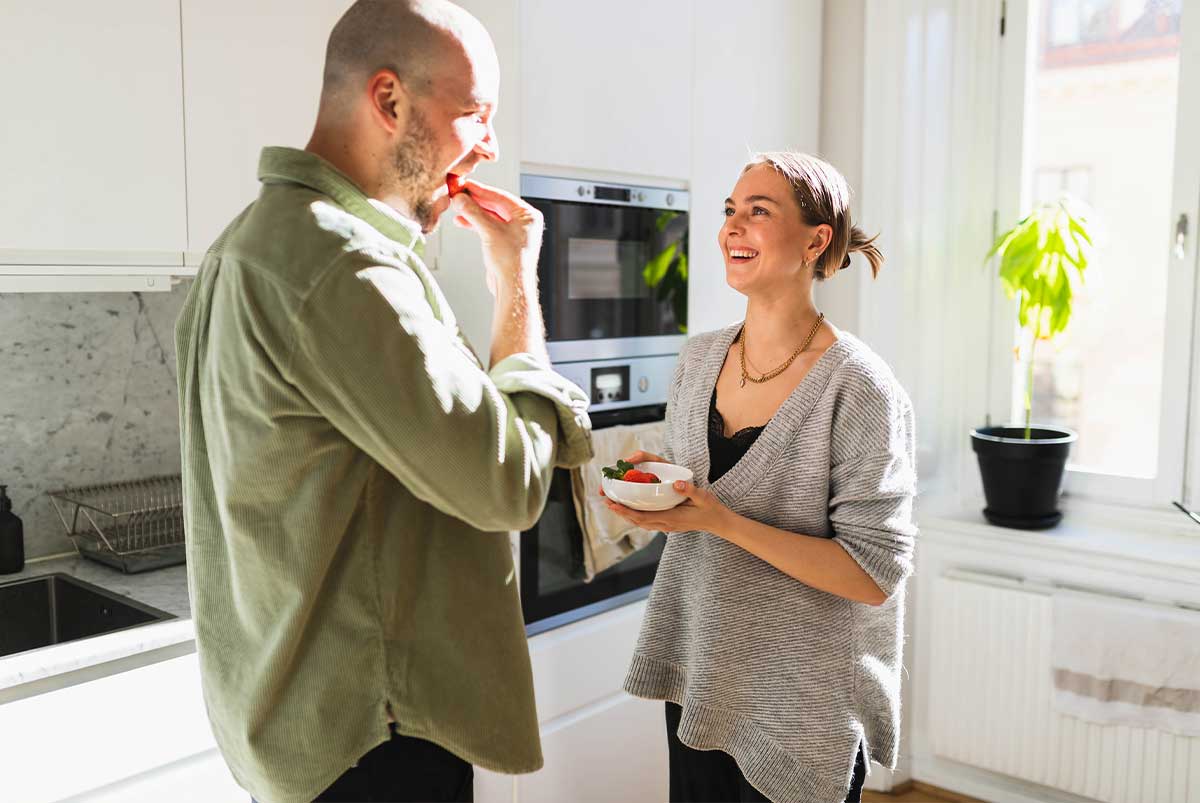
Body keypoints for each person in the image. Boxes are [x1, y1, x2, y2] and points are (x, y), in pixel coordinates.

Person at [174, 2, 592, 801]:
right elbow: (508, 485)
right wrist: (516, 282)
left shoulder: (247, 244)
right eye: (475, 114)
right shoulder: (346, 265)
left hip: (300, 729)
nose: (490, 145)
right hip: (374, 738)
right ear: (390, 101)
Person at [605, 151, 917, 803]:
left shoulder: (860, 388)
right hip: (703, 678)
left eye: (758, 211)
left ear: (815, 240)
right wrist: (664, 506)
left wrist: (721, 519)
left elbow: (872, 574)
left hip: (801, 708)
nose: (731, 228)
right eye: (729, 211)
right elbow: (690, 508)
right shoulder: (697, 359)